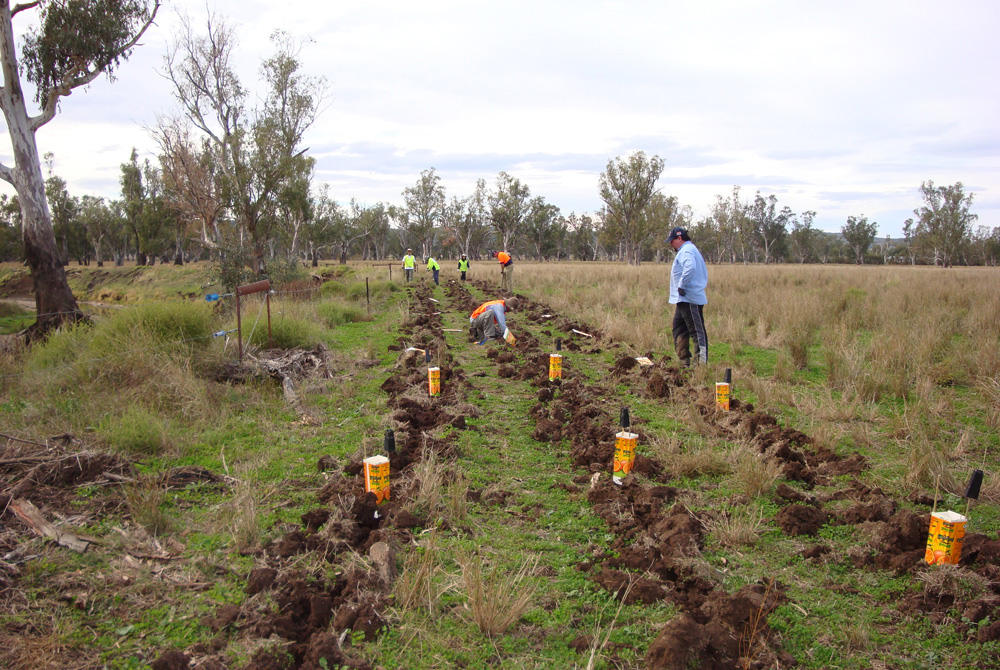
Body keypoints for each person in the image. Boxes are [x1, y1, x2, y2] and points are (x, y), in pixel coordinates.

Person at [667, 227, 709, 366]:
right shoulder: (685, 250)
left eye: (672, 241)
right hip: (682, 299)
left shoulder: (687, 250)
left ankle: (700, 365)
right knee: (678, 328)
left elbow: (690, 268)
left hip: (690, 298)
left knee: (697, 331)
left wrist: (681, 286)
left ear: (679, 238)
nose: (670, 244)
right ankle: (684, 360)